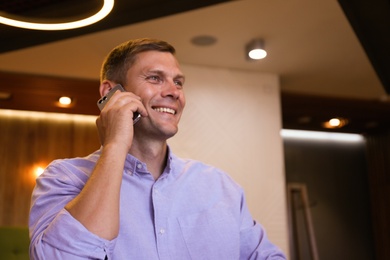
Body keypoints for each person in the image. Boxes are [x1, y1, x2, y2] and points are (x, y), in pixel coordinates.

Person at [29, 38, 286, 259]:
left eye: (178, 82)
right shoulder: (64, 178)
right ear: (111, 92)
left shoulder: (221, 186)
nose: (174, 92)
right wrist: (115, 144)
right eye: (155, 78)